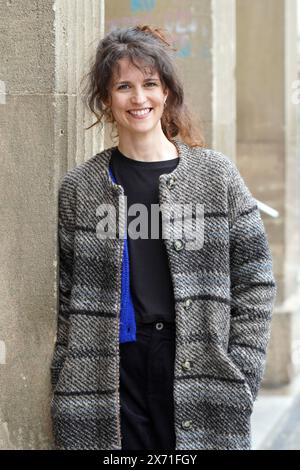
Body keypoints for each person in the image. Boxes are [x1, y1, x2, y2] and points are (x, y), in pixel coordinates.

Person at [50, 24, 277, 451]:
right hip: (112, 370)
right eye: (123, 86)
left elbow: (256, 281)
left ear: (166, 92)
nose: (139, 99)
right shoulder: (81, 188)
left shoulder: (215, 176)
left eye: (149, 84)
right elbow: (65, 296)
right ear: (106, 99)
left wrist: (241, 370)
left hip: (195, 359)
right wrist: (68, 377)